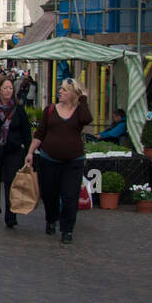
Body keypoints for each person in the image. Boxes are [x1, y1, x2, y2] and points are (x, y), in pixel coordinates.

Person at [25, 77, 92, 245]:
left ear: (73, 94)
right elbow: (40, 134)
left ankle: (67, 230)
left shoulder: (79, 111)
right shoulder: (50, 110)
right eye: (60, 89)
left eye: (64, 90)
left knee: (70, 196)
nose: (60, 92)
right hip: (49, 160)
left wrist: (83, 98)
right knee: (49, 194)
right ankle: (51, 219)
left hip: (73, 162)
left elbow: (87, 119)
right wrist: (30, 152)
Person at [0, 74, 32, 228]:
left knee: (11, 182)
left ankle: (11, 216)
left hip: (13, 150)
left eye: (10, 88)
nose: (8, 91)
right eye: (5, 88)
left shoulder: (18, 108)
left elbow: (26, 131)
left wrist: (29, 151)